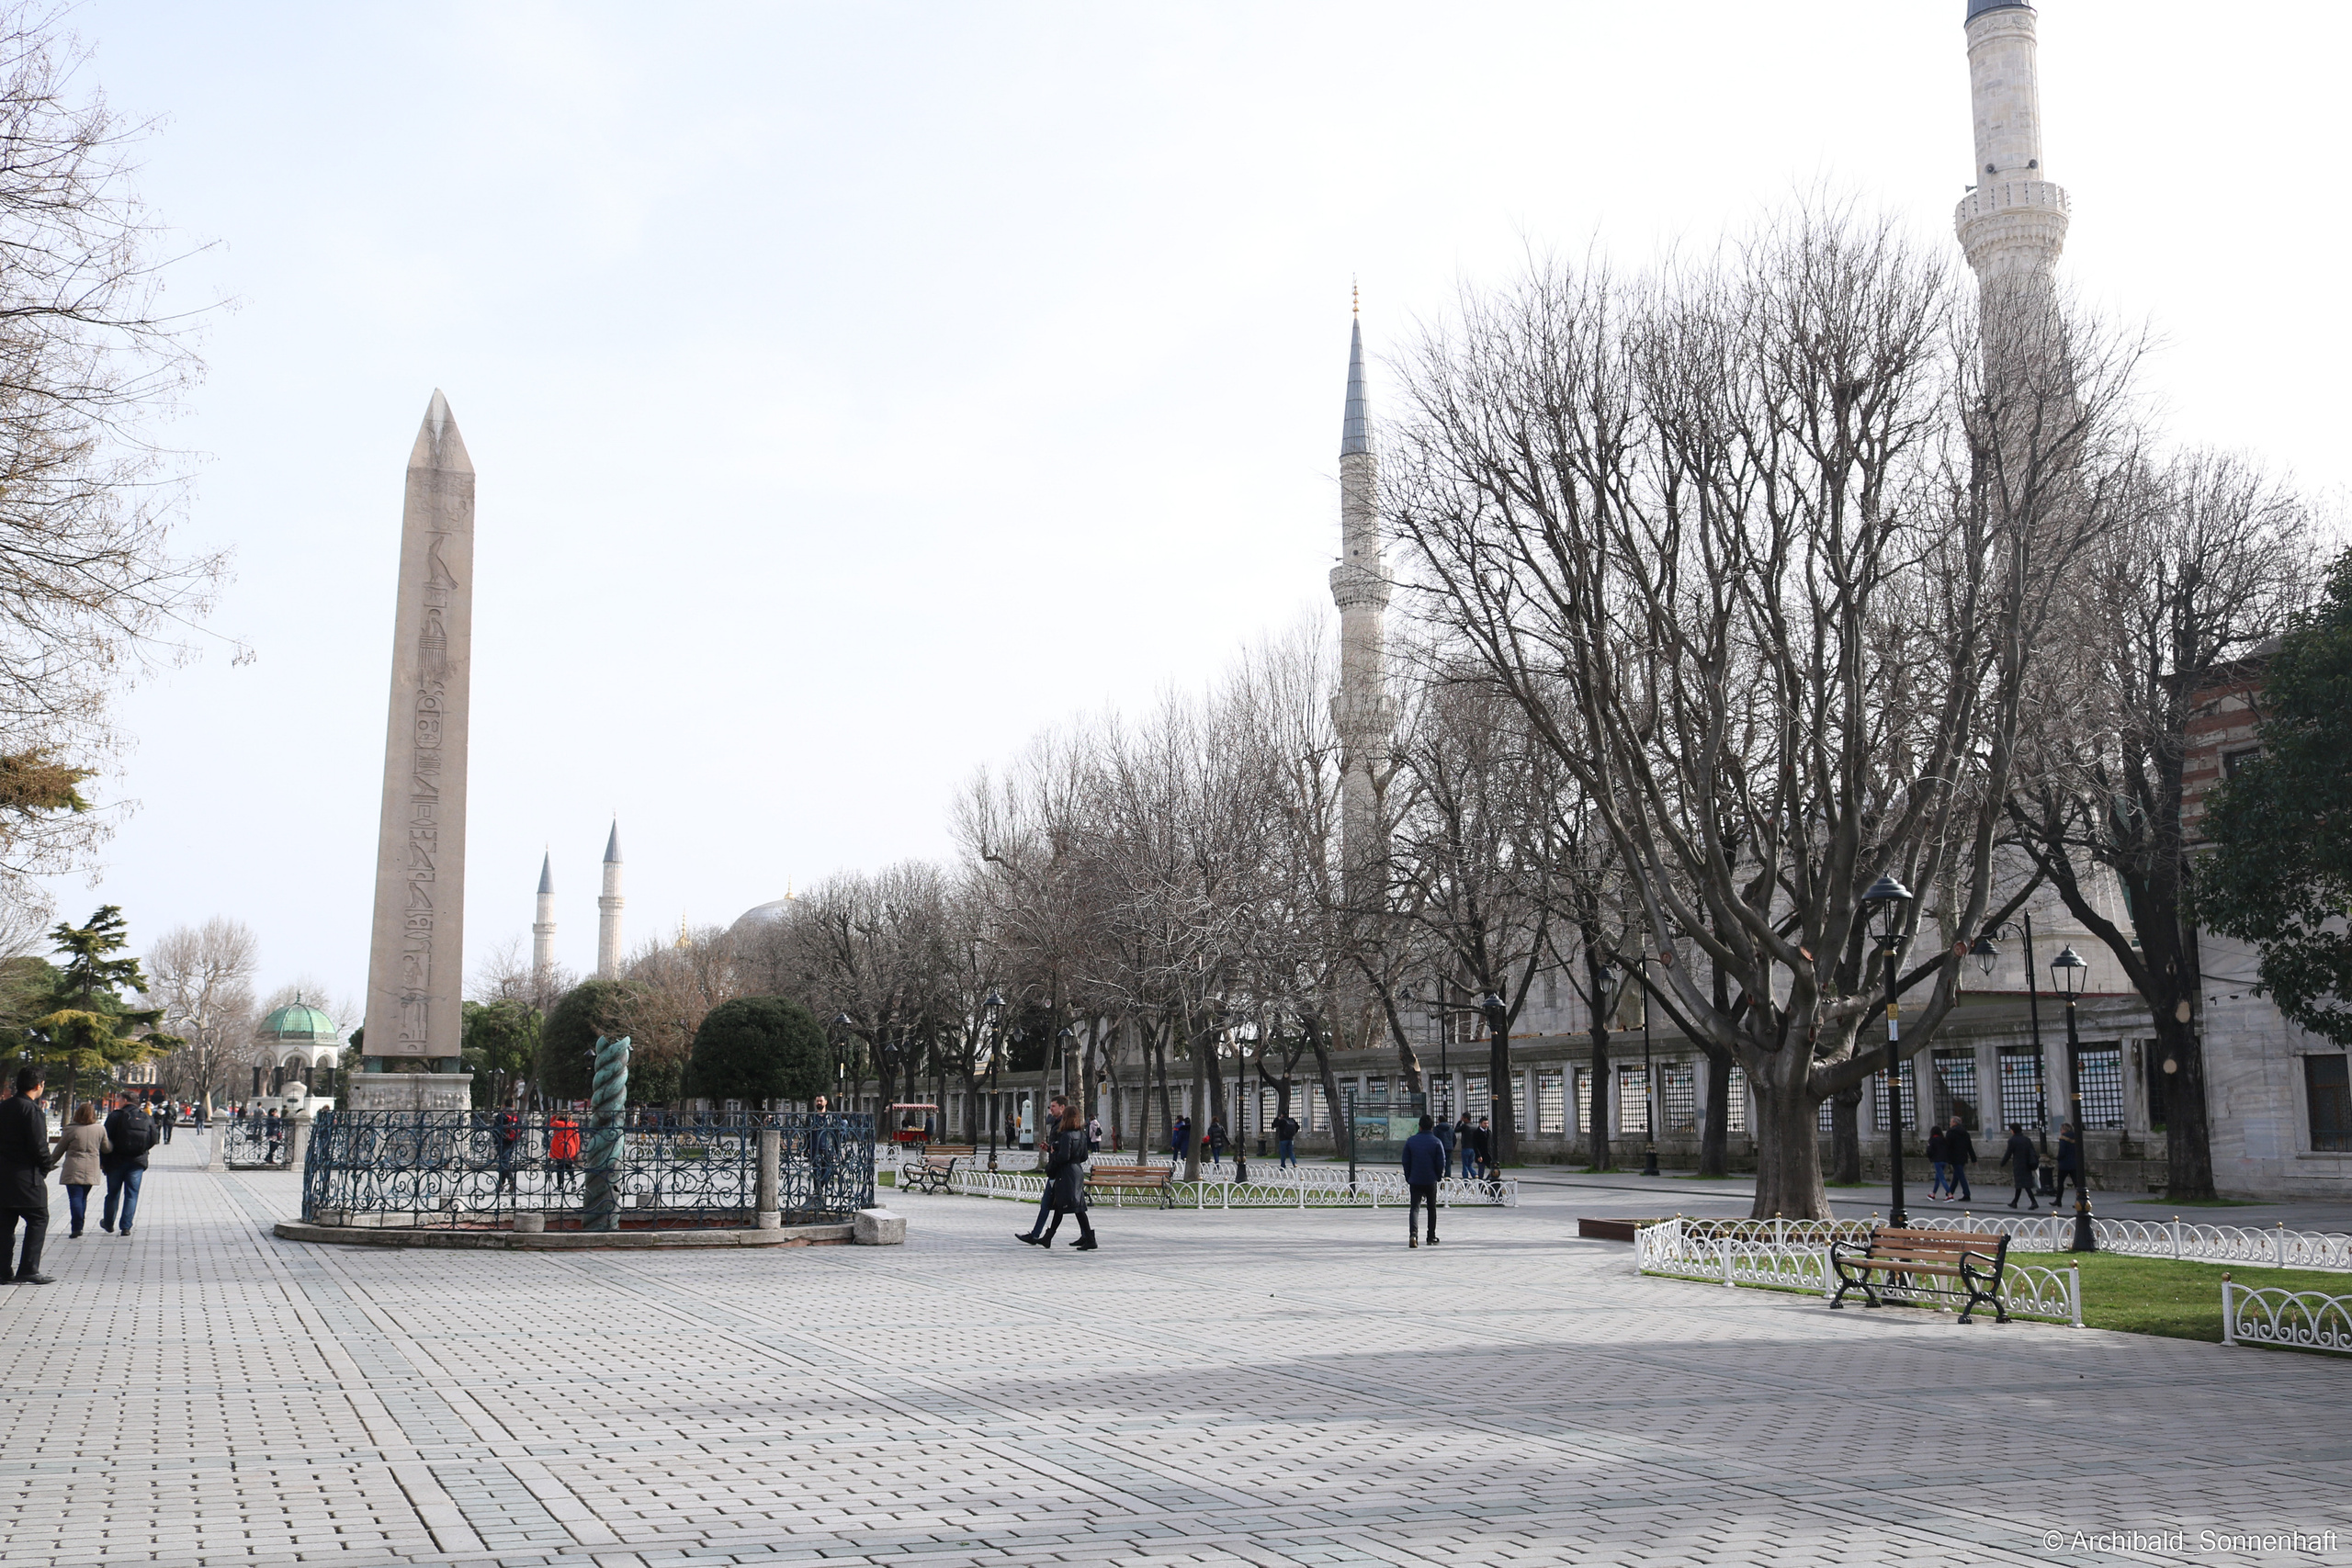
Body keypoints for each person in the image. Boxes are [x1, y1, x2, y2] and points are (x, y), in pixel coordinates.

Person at [0, 1066, 55, 1282]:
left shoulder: (4, 1107)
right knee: (38, 1218)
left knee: (4, 1225)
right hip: (26, 1176)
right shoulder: (31, 1110)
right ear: (38, 1085)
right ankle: (28, 1268)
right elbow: (39, 1145)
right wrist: (45, 1167)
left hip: (3, 1175)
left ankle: (3, 1270)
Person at [1017, 1105, 1099, 1250]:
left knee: (1068, 1205)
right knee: (1071, 1205)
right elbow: (1084, 1156)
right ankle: (1051, 1237)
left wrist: (1054, 1152)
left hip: (1066, 1173)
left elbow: (1063, 1156)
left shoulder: (1066, 1135)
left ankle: (1085, 1238)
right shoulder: (1081, 1134)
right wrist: (1052, 1149)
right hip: (1077, 1171)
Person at [101, 1094, 156, 1235]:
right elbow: (153, 1139)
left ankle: (108, 1222)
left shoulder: (115, 1116)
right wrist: (142, 1151)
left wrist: (103, 1161)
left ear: (125, 1101)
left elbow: (105, 1140)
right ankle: (126, 1226)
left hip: (115, 1161)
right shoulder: (146, 1117)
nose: (118, 1102)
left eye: (119, 1100)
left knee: (113, 1193)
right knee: (131, 1194)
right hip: (137, 1162)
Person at [52, 1102, 108, 1240]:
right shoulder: (100, 1130)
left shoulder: (70, 1130)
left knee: (75, 1197)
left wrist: (47, 1163)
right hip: (92, 1167)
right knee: (83, 1197)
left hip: (73, 1167)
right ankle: (80, 1224)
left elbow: (59, 1149)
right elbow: (106, 1148)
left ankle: (77, 1226)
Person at [1402, 1113, 1447, 1248]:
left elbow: (1406, 1161)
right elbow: (1441, 1162)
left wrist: (1408, 1176)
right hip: (1430, 1179)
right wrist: (1438, 1176)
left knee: (1415, 1208)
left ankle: (1413, 1235)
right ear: (1432, 1127)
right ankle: (1431, 1236)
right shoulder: (1436, 1142)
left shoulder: (1411, 1141)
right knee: (1431, 1208)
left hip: (1415, 1179)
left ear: (1419, 1127)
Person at [2001, 1122, 2040, 1210]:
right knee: (2020, 1184)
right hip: (2027, 1164)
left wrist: (2003, 1162)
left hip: (2019, 1164)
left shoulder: (2012, 1140)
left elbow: (2008, 1153)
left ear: (2013, 1130)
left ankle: (2034, 1202)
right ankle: (2014, 1202)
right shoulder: (2026, 1139)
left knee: (2024, 1185)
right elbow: (2032, 1151)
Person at [491, 1106, 524, 1201]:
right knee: (505, 1161)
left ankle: (511, 1182)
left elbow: (495, 1129)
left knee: (504, 1162)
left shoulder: (500, 1116)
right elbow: (521, 1129)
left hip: (502, 1141)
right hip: (512, 1142)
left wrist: (496, 1140)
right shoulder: (518, 1117)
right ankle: (501, 1184)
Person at [546, 1110, 581, 1195]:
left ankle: (560, 1185)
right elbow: (577, 1138)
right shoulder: (573, 1125)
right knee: (568, 1165)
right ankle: (573, 1180)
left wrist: (553, 1117)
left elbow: (547, 1127)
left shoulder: (557, 1123)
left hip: (559, 1147)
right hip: (570, 1147)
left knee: (560, 1166)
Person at [2052, 1121, 2086, 1208]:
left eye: (2061, 1130)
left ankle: (2058, 1200)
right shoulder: (2076, 1137)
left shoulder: (2063, 1138)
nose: (2060, 1131)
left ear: (2064, 1130)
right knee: (2077, 1183)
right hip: (2074, 1163)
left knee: (2060, 1183)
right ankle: (2080, 1200)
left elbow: (2062, 1151)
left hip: (2064, 1164)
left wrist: (2058, 1158)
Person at [1943, 1115, 1975, 1201]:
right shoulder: (1965, 1133)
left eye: (1951, 1122)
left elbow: (1947, 1146)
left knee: (1961, 1176)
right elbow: (1969, 1146)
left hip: (1954, 1157)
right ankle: (1950, 1192)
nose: (1950, 1123)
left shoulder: (1951, 1133)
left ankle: (1967, 1194)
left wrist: (1944, 1156)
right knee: (1956, 1176)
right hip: (1963, 1157)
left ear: (1954, 1123)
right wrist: (1973, 1158)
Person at [1925, 1122, 1950, 1200]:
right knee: (1938, 1178)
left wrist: (1931, 1157)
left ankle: (1949, 1194)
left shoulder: (1932, 1140)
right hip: (1944, 1160)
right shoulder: (1944, 1140)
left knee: (1942, 1178)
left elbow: (1929, 1150)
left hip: (1937, 1160)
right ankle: (1933, 1193)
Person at [1455, 1114, 1477, 1179]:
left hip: (1466, 1148)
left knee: (1465, 1165)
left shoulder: (1465, 1126)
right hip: (1473, 1148)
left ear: (1465, 1118)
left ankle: (1465, 1180)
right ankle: (1475, 1175)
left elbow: (1456, 1130)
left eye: (1463, 1118)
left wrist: (1459, 1121)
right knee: (1470, 1165)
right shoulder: (1475, 1126)